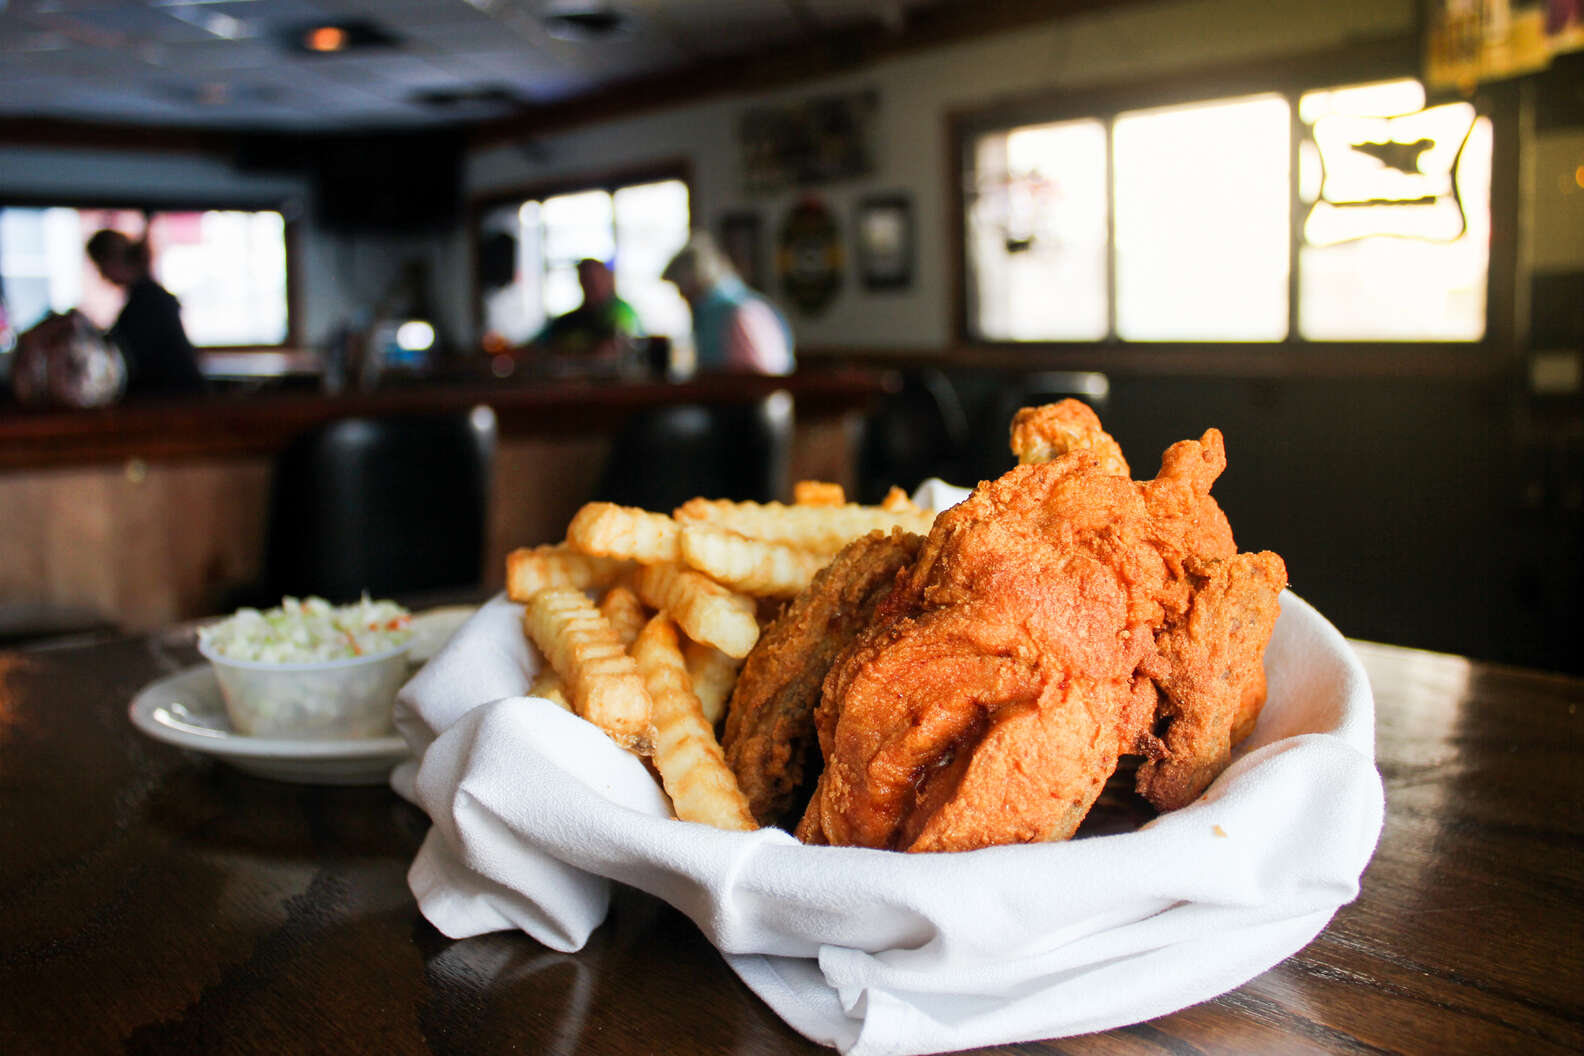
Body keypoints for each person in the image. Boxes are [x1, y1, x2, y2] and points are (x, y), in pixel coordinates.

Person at [84, 229, 205, 396]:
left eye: (101, 266)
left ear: (112, 261)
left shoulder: (146, 301)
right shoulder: (145, 297)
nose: (102, 275)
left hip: (171, 401)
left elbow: (127, 354)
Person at [661, 232, 794, 376]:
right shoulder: (706, 313)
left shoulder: (741, 313)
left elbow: (759, 379)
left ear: (696, 280)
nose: (681, 295)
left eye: (681, 287)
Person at [532, 258, 641, 365]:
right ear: (580, 281)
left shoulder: (622, 311)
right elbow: (539, 348)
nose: (593, 284)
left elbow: (617, 348)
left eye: (597, 277)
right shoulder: (567, 320)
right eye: (587, 278)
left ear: (609, 279)